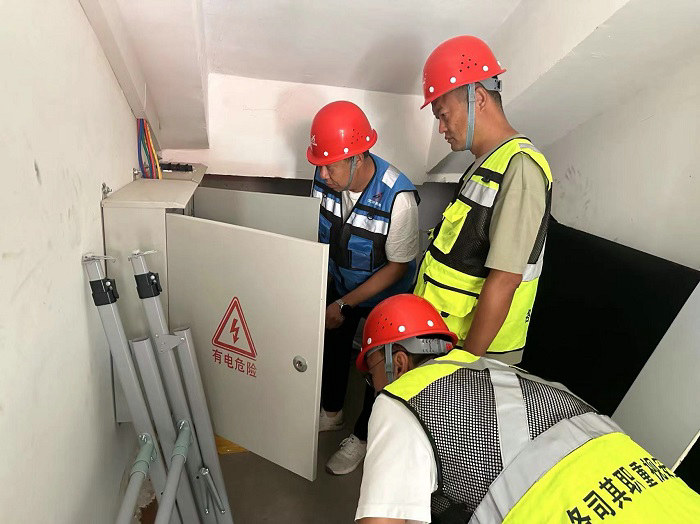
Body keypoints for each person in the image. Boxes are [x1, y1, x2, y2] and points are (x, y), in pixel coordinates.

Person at [354, 294, 700, 523]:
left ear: (398, 362)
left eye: (372, 375)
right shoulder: (502, 374)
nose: (375, 387)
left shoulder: (401, 398)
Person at [414, 35, 553, 365]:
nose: (441, 128)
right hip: (447, 340)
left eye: (443, 114)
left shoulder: (520, 167)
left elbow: (505, 280)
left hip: (475, 354)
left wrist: (464, 364)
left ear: (477, 98)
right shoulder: (484, 164)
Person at [308, 101, 420, 475]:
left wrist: (345, 303)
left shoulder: (398, 198)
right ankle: (332, 412)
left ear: (358, 157)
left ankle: (362, 436)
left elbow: (398, 266)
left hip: (386, 296)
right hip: (341, 283)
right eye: (319, 165)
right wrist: (332, 298)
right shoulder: (323, 179)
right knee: (332, 344)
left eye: (331, 165)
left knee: (381, 367)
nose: (322, 174)